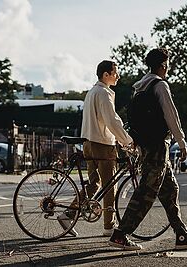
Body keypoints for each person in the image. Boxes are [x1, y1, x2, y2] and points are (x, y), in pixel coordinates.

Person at [108, 48, 187, 251]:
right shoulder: (160, 86)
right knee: (147, 192)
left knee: (170, 190)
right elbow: (171, 116)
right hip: (158, 147)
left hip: (147, 145)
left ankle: (181, 235)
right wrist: (182, 142)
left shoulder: (140, 88)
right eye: (167, 64)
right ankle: (120, 234)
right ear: (163, 65)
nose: (168, 68)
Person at [57, 60, 133, 237]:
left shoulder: (91, 92)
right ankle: (109, 226)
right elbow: (111, 121)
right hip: (102, 144)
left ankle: (68, 213)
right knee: (109, 186)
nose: (118, 76)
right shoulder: (104, 93)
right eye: (115, 73)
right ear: (106, 75)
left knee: (94, 183)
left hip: (88, 143)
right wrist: (127, 141)